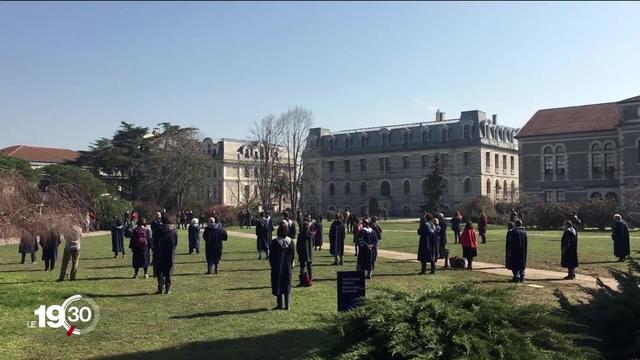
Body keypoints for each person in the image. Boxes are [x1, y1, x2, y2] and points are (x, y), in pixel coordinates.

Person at [156, 214, 178, 294]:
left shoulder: (159, 229)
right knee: (168, 270)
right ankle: (167, 288)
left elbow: (155, 240)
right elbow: (175, 242)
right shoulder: (174, 231)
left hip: (160, 252)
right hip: (170, 252)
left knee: (160, 270)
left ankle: (160, 287)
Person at [296, 215, 314, 285]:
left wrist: (298, 252)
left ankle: (302, 281)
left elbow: (298, 245)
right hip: (309, 252)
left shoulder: (300, 235)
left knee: (302, 267)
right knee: (309, 267)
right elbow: (313, 243)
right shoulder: (311, 235)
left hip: (302, 253)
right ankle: (310, 279)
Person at [150, 212, 162, 277]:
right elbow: (153, 228)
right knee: (154, 250)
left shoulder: (162, 221)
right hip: (155, 238)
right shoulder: (154, 222)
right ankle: (154, 261)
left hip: (161, 238)